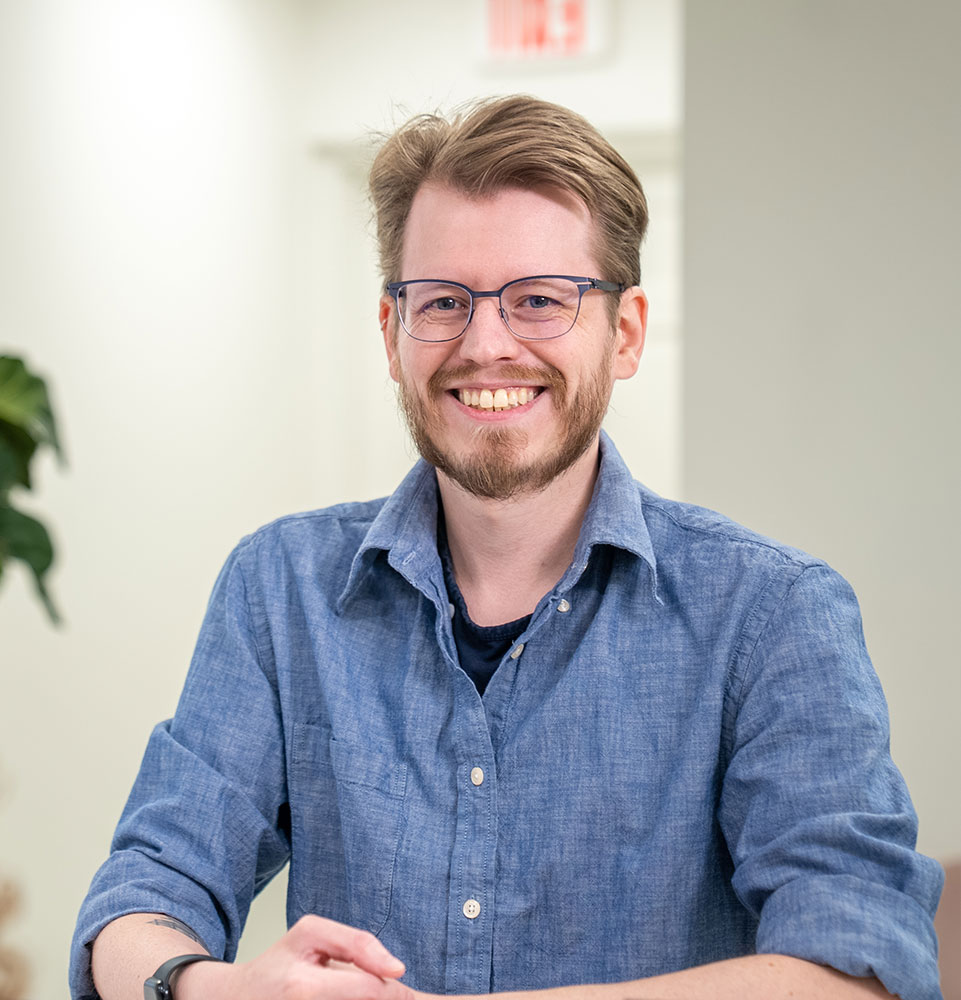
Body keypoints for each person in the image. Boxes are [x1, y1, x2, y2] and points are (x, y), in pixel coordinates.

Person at [70, 95, 943, 1000]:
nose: (485, 345)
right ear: (391, 334)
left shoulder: (771, 614)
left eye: (539, 301)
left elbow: (863, 962)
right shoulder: (278, 587)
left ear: (626, 332)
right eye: (443, 301)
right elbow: (139, 899)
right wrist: (224, 988)